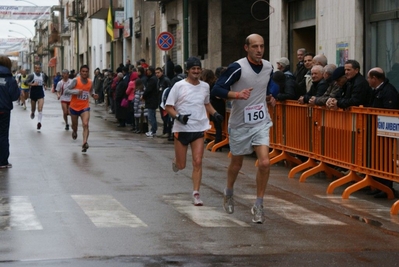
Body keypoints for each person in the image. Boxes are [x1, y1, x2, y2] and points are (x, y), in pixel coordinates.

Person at [211, 34, 276, 223]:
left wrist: (272, 95)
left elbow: (268, 84)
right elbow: (216, 89)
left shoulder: (268, 66)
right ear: (246, 48)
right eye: (255, 46)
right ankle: (229, 192)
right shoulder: (237, 67)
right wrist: (237, 94)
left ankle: (259, 204)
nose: (259, 50)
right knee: (237, 164)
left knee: (264, 163)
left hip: (261, 122)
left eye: (262, 46)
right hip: (240, 124)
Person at [165, 56, 223, 206]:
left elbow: (207, 103)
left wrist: (215, 114)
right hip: (181, 128)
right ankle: (176, 161)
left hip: (198, 127)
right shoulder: (179, 86)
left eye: (198, 69)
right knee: (182, 165)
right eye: (193, 69)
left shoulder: (205, 86)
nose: (196, 71)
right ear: (187, 70)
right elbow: (168, 107)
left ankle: (196, 193)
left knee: (198, 161)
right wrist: (179, 117)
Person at [367, 67, 399, 198]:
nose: (368, 81)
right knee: (377, 158)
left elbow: (389, 110)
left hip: (385, 130)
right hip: (377, 129)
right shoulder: (376, 91)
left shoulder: (388, 91)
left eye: (369, 78)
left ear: (375, 78)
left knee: (384, 158)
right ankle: (378, 184)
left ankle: (386, 186)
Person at [64, 65, 98, 153]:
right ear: (80, 72)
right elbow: (66, 90)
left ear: (88, 72)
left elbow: (91, 91)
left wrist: (94, 95)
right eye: (83, 71)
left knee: (85, 124)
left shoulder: (90, 82)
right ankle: (74, 131)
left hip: (85, 107)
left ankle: (84, 143)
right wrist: (76, 92)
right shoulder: (76, 80)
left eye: (86, 71)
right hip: (74, 107)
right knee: (74, 126)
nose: (84, 73)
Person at [0, 54, 20, 169]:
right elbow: (14, 96)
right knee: (3, 134)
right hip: (4, 110)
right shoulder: (10, 79)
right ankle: (2, 162)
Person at [201, 68, 225, 146]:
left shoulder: (209, 85)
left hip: (214, 105)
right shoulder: (214, 83)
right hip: (217, 105)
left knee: (217, 125)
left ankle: (217, 142)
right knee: (218, 125)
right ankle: (217, 142)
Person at [23, 64, 48, 130]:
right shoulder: (32, 75)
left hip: (40, 93)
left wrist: (45, 86)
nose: (37, 69)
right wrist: (32, 84)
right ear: (34, 69)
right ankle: (33, 112)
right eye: (36, 68)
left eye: (38, 68)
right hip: (33, 93)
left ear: (40, 69)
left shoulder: (43, 75)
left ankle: (39, 122)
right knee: (33, 109)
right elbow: (25, 82)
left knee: (40, 108)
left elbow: (44, 82)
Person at [155, 67, 171, 138]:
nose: (157, 74)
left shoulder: (166, 80)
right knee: (163, 117)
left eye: (158, 72)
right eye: (156, 73)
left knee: (166, 118)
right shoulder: (158, 81)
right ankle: (165, 131)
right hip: (160, 101)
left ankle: (167, 132)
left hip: (165, 102)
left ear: (162, 72)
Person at [143, 66, 158, 137]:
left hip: (151, 100)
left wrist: (143, 96)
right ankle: (153, 129)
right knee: (152, 115)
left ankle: (153, 130)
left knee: (151, 116)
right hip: (152, 100)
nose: (147, 72)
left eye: (148, 70)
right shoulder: (153, 79)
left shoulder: (152, 80)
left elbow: (148, 90)